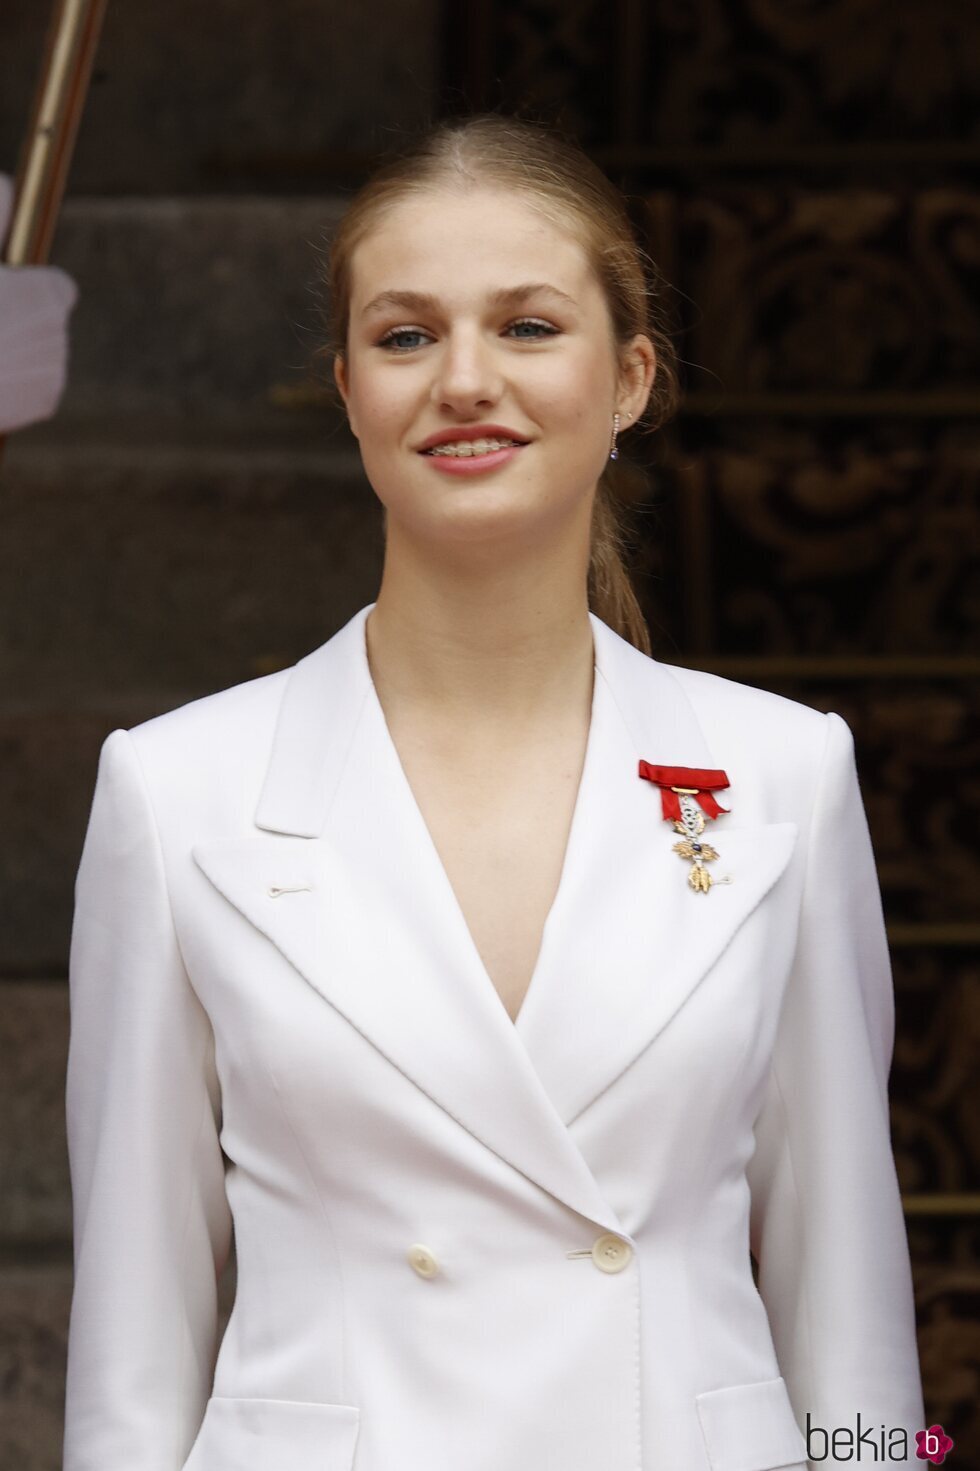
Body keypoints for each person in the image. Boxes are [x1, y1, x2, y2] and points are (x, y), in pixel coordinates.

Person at [62, 112, 927, 1471]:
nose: (465, 379)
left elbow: (850, 1306)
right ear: (347, 388)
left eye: (528, 327)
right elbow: (134, 1343)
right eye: (407, 336)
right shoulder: (177, 792)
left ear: (632, 377)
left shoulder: (782, 774)